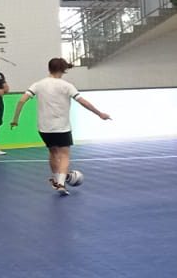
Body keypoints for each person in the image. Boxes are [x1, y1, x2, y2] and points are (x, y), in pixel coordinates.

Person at [9, 57, 109, 194]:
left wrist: (15, 119)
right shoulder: (67, 86)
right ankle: (61, 183)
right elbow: (82, 102)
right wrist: (99, 113)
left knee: (53, 152)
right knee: (64, 154)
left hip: (44, 128)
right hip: (62, 127)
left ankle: (56, 180)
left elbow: (21, 101)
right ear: (63, 70)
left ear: (49, 68)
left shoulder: (38, 84)